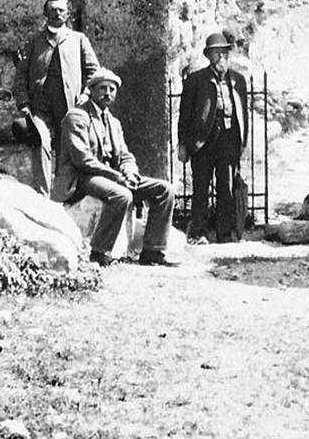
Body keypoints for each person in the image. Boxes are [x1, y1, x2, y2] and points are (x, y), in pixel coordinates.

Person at [56, 69, 176, 267]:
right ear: (92, 90)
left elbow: (125, 154)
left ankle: (153, 252)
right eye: (103, 88)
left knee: (165, 190)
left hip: (112, 176)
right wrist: (116, 177)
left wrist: (130, 172)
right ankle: (99, 252)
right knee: (122, 195)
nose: (108, 93)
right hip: (82, 178)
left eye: (112, 89)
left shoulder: (113, 122)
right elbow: (82, 159)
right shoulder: (76, 117)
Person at [13, 0, 99, 196]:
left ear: (67, 14)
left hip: (68, 105)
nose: (56, 14)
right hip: (39, 104)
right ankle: (42, 196)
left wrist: (86, 95)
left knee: (66, 150)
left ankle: (62, 198)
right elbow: (20, 75)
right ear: (45, 13)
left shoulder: (79, 40)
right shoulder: (34, 40)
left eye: (60, 10)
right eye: (52, 10)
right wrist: (23, 103)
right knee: (40, 142)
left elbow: (94, 72)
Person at [177, 31, 249, 244]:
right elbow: (185, 115)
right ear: (208, 56)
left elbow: (243, 113)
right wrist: (183, 144)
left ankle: (224, 233)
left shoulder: (238, 80)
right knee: (201, 188)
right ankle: (198, 232)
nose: (221, 58)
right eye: (217, 53)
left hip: (228, 141)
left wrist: (242, 142)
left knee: (225, 189)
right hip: (203, 141)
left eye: (225, 53)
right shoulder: (196, 80)